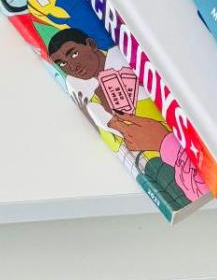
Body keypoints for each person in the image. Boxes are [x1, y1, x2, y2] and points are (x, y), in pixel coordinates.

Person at [47, 28, 206, 204]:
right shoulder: (91, 99)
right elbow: (120, 144)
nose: (72, 66)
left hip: (188, 154)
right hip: (159, 167)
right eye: (62, 64)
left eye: (74, 54)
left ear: (91, 44)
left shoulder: (128, 61)